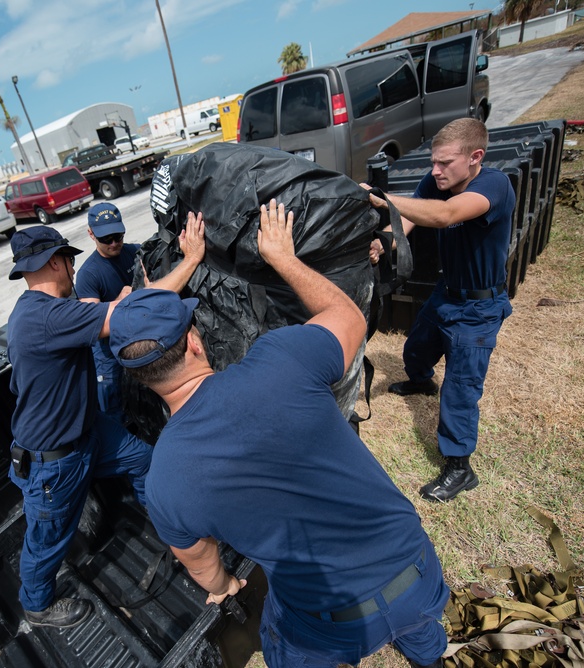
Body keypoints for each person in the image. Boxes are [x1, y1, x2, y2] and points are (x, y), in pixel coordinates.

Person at [109, 200, 450, 668]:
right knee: (420, 630)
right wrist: (283, 258)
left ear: (139, 376)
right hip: (417, 573)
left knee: (281, 646)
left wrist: (225, 586)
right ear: (194, 340)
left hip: (329, 625)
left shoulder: (165, 478)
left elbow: (201, 564)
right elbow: (349, 319)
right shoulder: (283, 359)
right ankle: (429, 656)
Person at [5, 218, 204, 629]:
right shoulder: (48, 318)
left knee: (144, 460)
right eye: (69, 260)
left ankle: (174, 532)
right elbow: (134, 315)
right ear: (57, 262)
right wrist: (192, 260)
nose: (75, 270)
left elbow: (104, 312)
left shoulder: (38, 311)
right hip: (55, 462)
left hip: (88, 432)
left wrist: (124, 300)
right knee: (47, 542)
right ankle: (37, 605)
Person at [367, 117, 515, 502]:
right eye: (433, 162)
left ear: (475, 157)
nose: (435, 171)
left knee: (461, 390)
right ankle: (420, 380)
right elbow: (410, 222)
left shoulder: (494, 186)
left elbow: (445, 214)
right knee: (415, 347)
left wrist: (382, 196)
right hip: (446, 293)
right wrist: (386, 244)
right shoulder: (438, 181)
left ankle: (459, 467)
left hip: (479, 307)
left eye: (444, 162)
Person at [74, 202, 142, 422]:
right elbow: (91, 325)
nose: (114, 243)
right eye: (106, 239)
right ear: (91, 234)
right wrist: (119, 302)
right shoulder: (88, 275)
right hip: (110, 355)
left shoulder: (134, 252)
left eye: (118, 236)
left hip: (139, 341)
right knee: (115, 411)